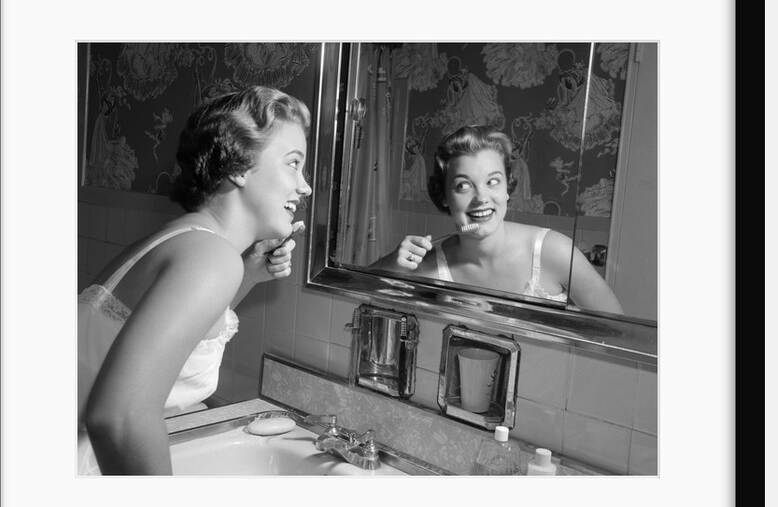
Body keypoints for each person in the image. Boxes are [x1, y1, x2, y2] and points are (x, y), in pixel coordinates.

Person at [78, 86, 312, 475]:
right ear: (238, 165)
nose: (304, 186)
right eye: (293, 163)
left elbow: (172, 340)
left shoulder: (177, 241)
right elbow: (119, 419)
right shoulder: (213, 258)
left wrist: (250, 273)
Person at [373, 125, 624, 315]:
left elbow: (618, 339)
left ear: (507, 188)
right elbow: (397, 324)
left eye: (492, 182)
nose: (481, 197)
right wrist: (390, 265)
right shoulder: (427, 265)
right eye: (463, 186)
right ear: (444, 196)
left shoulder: (555, 251)